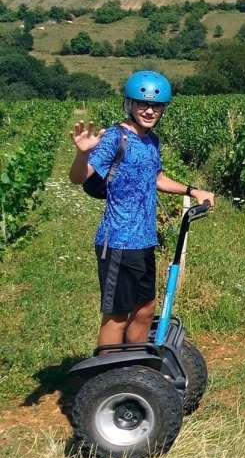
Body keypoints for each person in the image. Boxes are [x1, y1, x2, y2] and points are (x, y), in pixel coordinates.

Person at [69, 71, 216, 347]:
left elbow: (157, 178)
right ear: (129, 104)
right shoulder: (116, 136)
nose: (149, 111)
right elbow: (80, 177)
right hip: (118, 241)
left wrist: (192, 190)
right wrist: (82, 153)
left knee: (145, 310)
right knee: (116, 316)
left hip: (145, 240)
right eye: (142, 104)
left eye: (156, 106)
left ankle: (136, 369)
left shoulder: (152, 141)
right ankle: (109, 377)